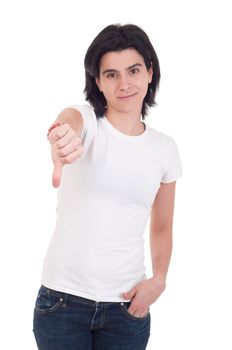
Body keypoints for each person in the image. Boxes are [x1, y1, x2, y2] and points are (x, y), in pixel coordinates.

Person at [33, 23, 183, 350]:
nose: (124, 83)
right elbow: (68, 120)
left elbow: (161, 225)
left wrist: (159, 280)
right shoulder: (87, 123)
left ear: (150, 73)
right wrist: (61, 135)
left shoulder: (164, 148)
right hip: (62, 304)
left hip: (127, 309)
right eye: (111, 74)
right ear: (99, 82)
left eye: (133, 70)